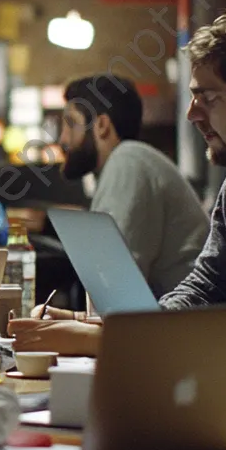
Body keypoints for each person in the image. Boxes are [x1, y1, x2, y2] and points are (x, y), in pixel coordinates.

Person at [11, 6, 226, 390]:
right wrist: (106, 326)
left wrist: (112, 340)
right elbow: (204, 289)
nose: (192, 114)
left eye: (206, 98)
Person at [57, 74, 208, 296]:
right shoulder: (127, 162)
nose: (63, 139)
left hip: (189, 326)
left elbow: (116, 289)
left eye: (71, 124)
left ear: (101, 125)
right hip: (178, 320)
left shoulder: (128, 161)